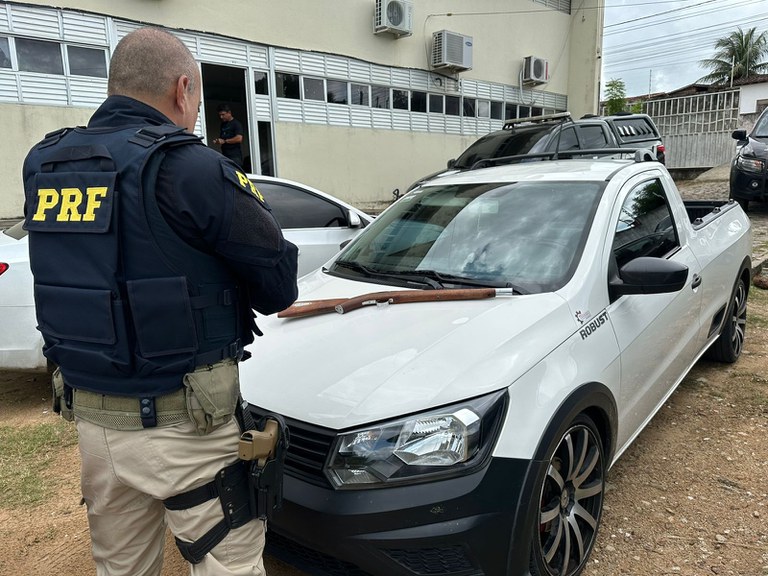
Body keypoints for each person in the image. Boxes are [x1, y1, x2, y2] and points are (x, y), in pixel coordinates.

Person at [21, 27, 299, 576]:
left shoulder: (46, 163)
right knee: (229, 565)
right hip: (186, 430)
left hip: (95, 426)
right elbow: (278, 287)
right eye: (195, 98)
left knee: (120, 569)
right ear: (182, 89)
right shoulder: (193, 168)